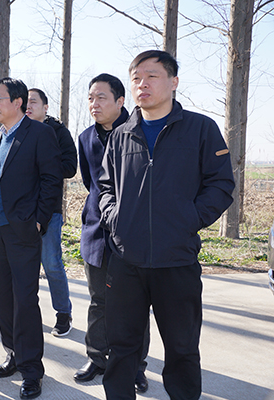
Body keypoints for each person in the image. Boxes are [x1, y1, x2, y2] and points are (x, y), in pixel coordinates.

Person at [98, 50, 235, 399]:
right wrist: (116, 219)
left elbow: (220, 185)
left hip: (177, 260)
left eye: (152, 76)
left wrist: (189, 219)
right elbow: (105, 187)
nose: (142, 84)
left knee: (182, 348)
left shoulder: (200, 129)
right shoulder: (121, 135)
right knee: (122, 347)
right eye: (136, 78)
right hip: (126, 260)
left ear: (173, 82)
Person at [0, 78, 62, 400]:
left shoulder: (40, 134)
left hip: (24, 230)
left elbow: (52, 180)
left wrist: (39, 221)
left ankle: (32, 369)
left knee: (25, 299)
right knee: (3, 296)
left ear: (18, 102)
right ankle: (13, 354)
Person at [75, 74, 150, 393]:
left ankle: (136, 366)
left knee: (135, 305)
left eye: (101, 97)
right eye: (90, 98)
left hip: (134, 233)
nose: (94, 104)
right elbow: (90, 183)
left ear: (121, 101)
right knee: (98, 301)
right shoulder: (85, 137)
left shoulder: (140, 132)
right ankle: (96, 358)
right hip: (96, 231)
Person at [25, 88, 77, 336]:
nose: (27, 106)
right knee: (24, 266)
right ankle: (27, 314)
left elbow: (70, 167)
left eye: (33, 102)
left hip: (49, 209)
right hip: (21, 210)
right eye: (24, 102)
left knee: (52, 264)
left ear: (45, 107)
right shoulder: (18, 129)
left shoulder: (58, 132)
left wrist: (43, 163)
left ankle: (63, 313)